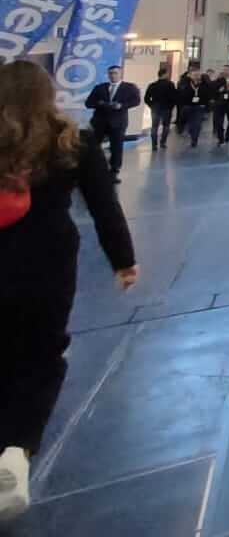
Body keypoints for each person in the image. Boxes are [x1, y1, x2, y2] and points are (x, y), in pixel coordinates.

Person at [0, 61, 137, 519]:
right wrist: (124, 260)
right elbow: (104, 206)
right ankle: (16, 450)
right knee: (42, 355)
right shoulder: (73, 142)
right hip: (48, 260)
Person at [85, 67, 140, 184]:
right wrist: (101, 104)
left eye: (115, 73)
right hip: (99, 122)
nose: (113, 75)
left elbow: (136, 101)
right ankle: (92, 170)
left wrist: (122, 105)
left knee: (116, 148)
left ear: (120, 74)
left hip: (118, 122)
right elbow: (88, 103)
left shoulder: (129, 87)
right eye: (110, 73)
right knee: (93, 147)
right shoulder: (100, 88)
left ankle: (114, 172)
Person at [143, 65, 177, 151]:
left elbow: (146, 98)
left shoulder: (152, 85)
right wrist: (171, 106)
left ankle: (154, 144)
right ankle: (163, 142)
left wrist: (151, 105)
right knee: (166, 126)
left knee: (154, 126)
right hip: (166, 108)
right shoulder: (170, 84)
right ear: (165, 74)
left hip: (155, 108)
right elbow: (174, 97)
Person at [176, 63, 208, 149]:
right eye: (195, 75)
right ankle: (188, 131)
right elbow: (181, 94)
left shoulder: (204, 84)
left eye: (198, 75)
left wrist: (205, 104)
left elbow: (208, 93)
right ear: (190, 75)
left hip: (199, 107)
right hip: (187, 106)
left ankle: (194, 139)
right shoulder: (185, 83)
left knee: (197, 124)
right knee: (190, 124)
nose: (197, 77)